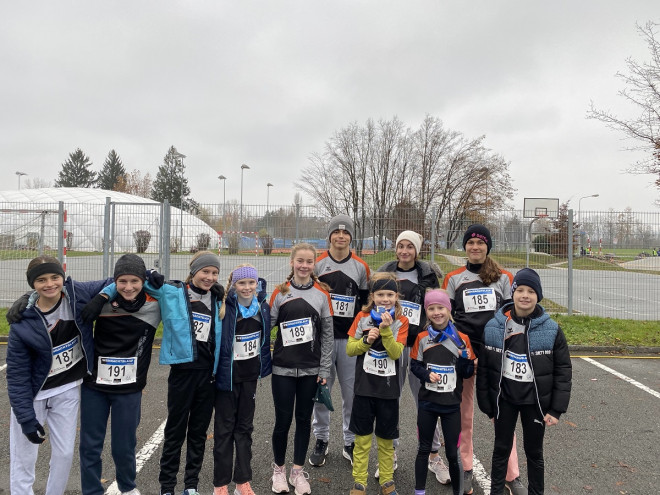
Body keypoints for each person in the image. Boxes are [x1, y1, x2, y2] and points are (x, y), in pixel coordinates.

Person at [6, 256, 111, 495]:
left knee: (64, 454)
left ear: (62, 276)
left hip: (67, 389)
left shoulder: (78, 293)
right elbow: (17, 375)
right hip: (34, 395)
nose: (50, 284)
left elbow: (119, 279)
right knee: (24, 458)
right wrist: (25, 417)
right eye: (41, 280)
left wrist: (102, 297)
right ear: (32, 284)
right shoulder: (22, 321)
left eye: (55, 277)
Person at [442, 224, 525, 495]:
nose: (475, 247)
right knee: (462, 416)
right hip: (464, 356)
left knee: (501, 416)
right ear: (464, 247)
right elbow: (445, 320)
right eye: (470, 243)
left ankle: (512, 475)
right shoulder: (454, 278)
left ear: (488, 247)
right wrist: (465, 352)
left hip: (496, 357)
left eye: (480, 243)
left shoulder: (503, 278)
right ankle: (464, 467)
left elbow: (513, 318)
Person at [477, 268, 572, 495]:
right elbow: (485, 369)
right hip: (505, 400)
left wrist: (556, 409)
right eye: (520, 290)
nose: (525, 295)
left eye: (531, 291)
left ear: (538, 296)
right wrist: (488, 406)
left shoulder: (551, 330)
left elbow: (563, 370)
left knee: (534, 453)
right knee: (501, 449)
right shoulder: (494, 326)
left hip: (534, 403)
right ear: (513, 293)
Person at [78, 254, 160, 495]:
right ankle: (92, 491)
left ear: (143, 280)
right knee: (90, 445)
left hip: (129, 389)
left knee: (124, 445)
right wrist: (29, 298)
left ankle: (127, 487)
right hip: (95, 387)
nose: (128, 287)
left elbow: (188, 290)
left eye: (134, 281)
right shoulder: (100, 302)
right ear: (114, 281)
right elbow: (60, 290)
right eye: (121, 281)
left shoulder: (155, 304)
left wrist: (218, 289)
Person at [377, 230, 448, 483]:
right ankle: (390, 454)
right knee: (389, 400)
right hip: (391, 346)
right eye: (400, 246)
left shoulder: (427, 276)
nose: (404, 251)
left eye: (410, 247)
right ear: (395, 249)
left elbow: (436, 310)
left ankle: (433, 455)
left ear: (417, 251)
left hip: (420, 346)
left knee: (427, 400)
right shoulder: (384, 273)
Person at [269, 243, 333, 495]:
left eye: (309, 261)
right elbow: (266, 328)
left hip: (310, 370)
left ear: (314, 264)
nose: (304, 266)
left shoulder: (322, 294)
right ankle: (279, 470)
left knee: (304, 420)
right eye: (300, 261)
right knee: (282, 421)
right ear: (292, 263)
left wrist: (324, 370)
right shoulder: (279, 292)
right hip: (283, 369)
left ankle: (297, 471)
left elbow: (327, 336)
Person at [310, 214, 370, 467]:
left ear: (351, 238)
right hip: (322, 340)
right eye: (337, 232)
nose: (341, 236)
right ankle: (321, 439)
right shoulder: (318, 264)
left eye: (346, 233)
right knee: (321, 392)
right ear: (330, 236)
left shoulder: (360, 267)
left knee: (351, 394)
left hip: (349, 340)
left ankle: (349, 440)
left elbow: (366, 304)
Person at [346, 272, 409, 495]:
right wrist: (366, 340)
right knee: (362, 440)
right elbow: (350, 349)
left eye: (390, 294)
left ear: (396, 296)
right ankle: (359, 481)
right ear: (372, 295)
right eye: (380, 294)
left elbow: (395, 354)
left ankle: (386, 480)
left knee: (386, 440)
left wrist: (384, 332)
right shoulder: (361, 317)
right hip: (364, 389)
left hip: (389, 391)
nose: (385, 299)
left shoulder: (402, 321)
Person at [213, 264, 272, 495]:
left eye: (251, 283)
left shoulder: (262, 308)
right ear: (234, 285)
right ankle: (220, 484)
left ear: (256, 284)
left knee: (245, 429)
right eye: (242, 283)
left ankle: (242, 481)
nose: (247, 287)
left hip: (249, 378)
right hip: (227, 379)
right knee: (224, 430)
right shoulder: (225, 308)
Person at [410, 290, 476, 495]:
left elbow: (466, 373)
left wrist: (465, 358)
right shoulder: (422, 337)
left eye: (441, 308)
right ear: (426, 311)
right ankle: (419, 491)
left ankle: (457, 491)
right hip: (427, 404)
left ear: (449, 310)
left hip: (451, 406)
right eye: (431, 308)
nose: (437, 313)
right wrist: (426, 374)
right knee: (423, 449)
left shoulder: (462, 338)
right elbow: (414, 366)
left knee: (452, 455)